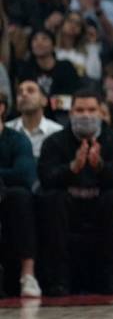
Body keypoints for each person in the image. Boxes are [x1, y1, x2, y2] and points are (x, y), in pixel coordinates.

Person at [37, 89, 113, 295]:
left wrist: (100, 167)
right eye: (79, 109)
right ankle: (59, 281)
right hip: (68, 205)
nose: (85, 115)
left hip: (102, 205)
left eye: (91, 110)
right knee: (52, 199)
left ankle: (111, 279)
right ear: (70, 113)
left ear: (100, 112)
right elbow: (46, 178)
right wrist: (72, 168)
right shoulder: (54, 142)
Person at [0, 91, 41, 297]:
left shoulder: (16, 140)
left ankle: (28, 274)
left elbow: (24, 174)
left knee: (20, 195)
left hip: (8, 198)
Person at [5, 80, 63, 159]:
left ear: (44, 100)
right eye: (19, 92)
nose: (24, 94)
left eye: (30, 91)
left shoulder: (58, 132)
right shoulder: (5, 131)